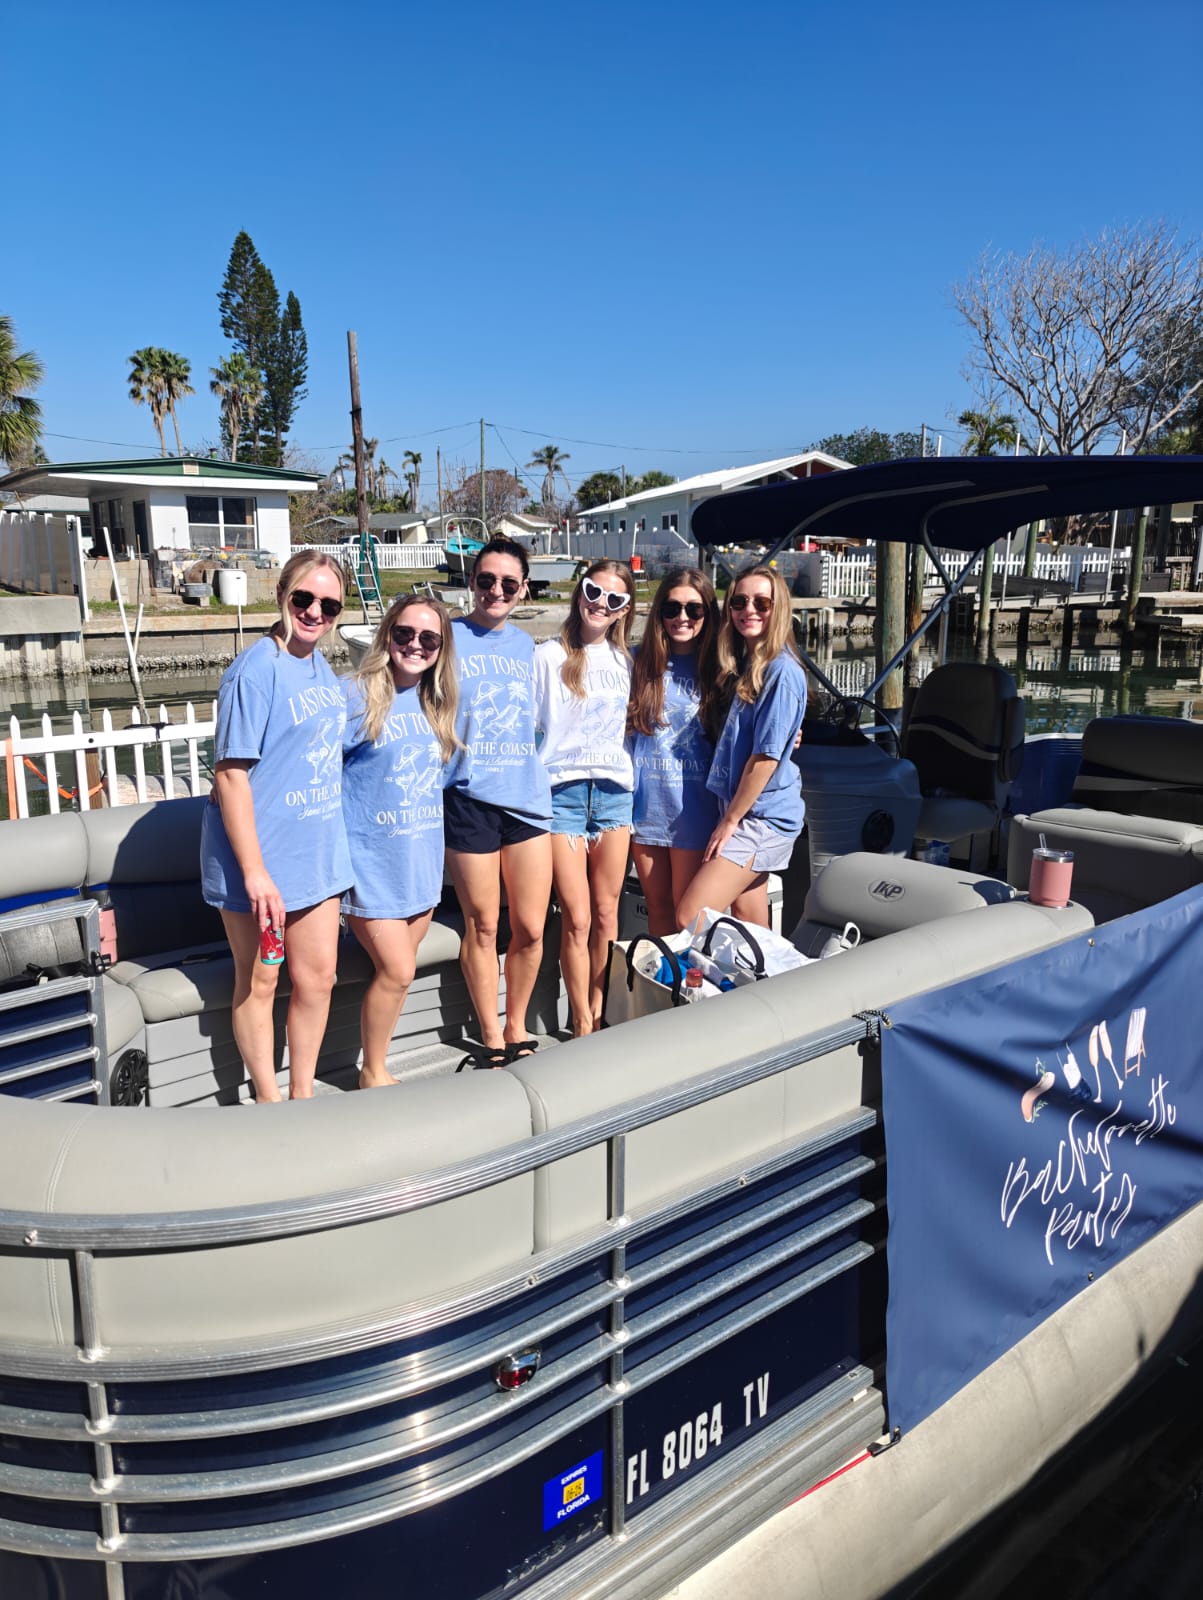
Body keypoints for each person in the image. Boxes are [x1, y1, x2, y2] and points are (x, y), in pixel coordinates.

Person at [200, 552, 351, 1102]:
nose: (314, 612)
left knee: (318, 980)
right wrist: (256, 874)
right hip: (258, 866)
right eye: (304, 598)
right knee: (261, 979)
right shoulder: (255, 669)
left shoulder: (320, 667)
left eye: (329, 604)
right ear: (282, 594)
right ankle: (269, 1098)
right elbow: (232, 774)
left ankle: (302, 1095)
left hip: (313, 858)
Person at [341, 593, 461, 1088]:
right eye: (404, 634)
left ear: (440, 648)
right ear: (387, 634)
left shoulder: (437, 703)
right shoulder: (356, 694)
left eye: (428, 638)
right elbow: (312, 767)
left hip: (419, 865)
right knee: (398, 970)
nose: (415, 645)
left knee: (398, 972)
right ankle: (373, 1071)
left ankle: (378, 1060)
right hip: (370, 866)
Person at [445, 536, 553, 1067]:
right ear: (472, 582)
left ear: (523, 589)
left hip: (526, 800)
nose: (496, 590)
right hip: (467, 798)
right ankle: (491, 1034)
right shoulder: (445, 636)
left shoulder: (525, 647)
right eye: (486, 580)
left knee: (531, 926)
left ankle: (517, 1023)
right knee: (483, 924)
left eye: (508, 583)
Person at [533, 560, 636, 1035]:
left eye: (614, 599)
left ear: (624, 610)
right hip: (563, 797)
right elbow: (525, 727)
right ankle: (580, 1022)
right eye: (595, 591)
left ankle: (599, 1005)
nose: (601, 604)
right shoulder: (547, 656)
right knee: (575, 917)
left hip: (615, 796)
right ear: (580, 591)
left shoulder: (627, 663)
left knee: (606, 912)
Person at [676, 565, 806, 933]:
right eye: (740, 601)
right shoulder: (749, 665)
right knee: (750, 921)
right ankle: (765, 986)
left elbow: (765, 759)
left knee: (690, 914)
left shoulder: (781, 671)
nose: (749, 609)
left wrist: (729, 822)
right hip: (744, 811)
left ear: (778, 608)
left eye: (762, 602)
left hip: (760, 819)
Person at [627, 566, 721, 936]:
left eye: (694, 610)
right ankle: (665, 991)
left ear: (707, 614)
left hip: (695, 812)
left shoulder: (720, 668)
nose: (682, 617)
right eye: (672, 608)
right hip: (646, 809)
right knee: (659, 913)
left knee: (690, 919)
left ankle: (697, 991)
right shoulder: (636, 662)